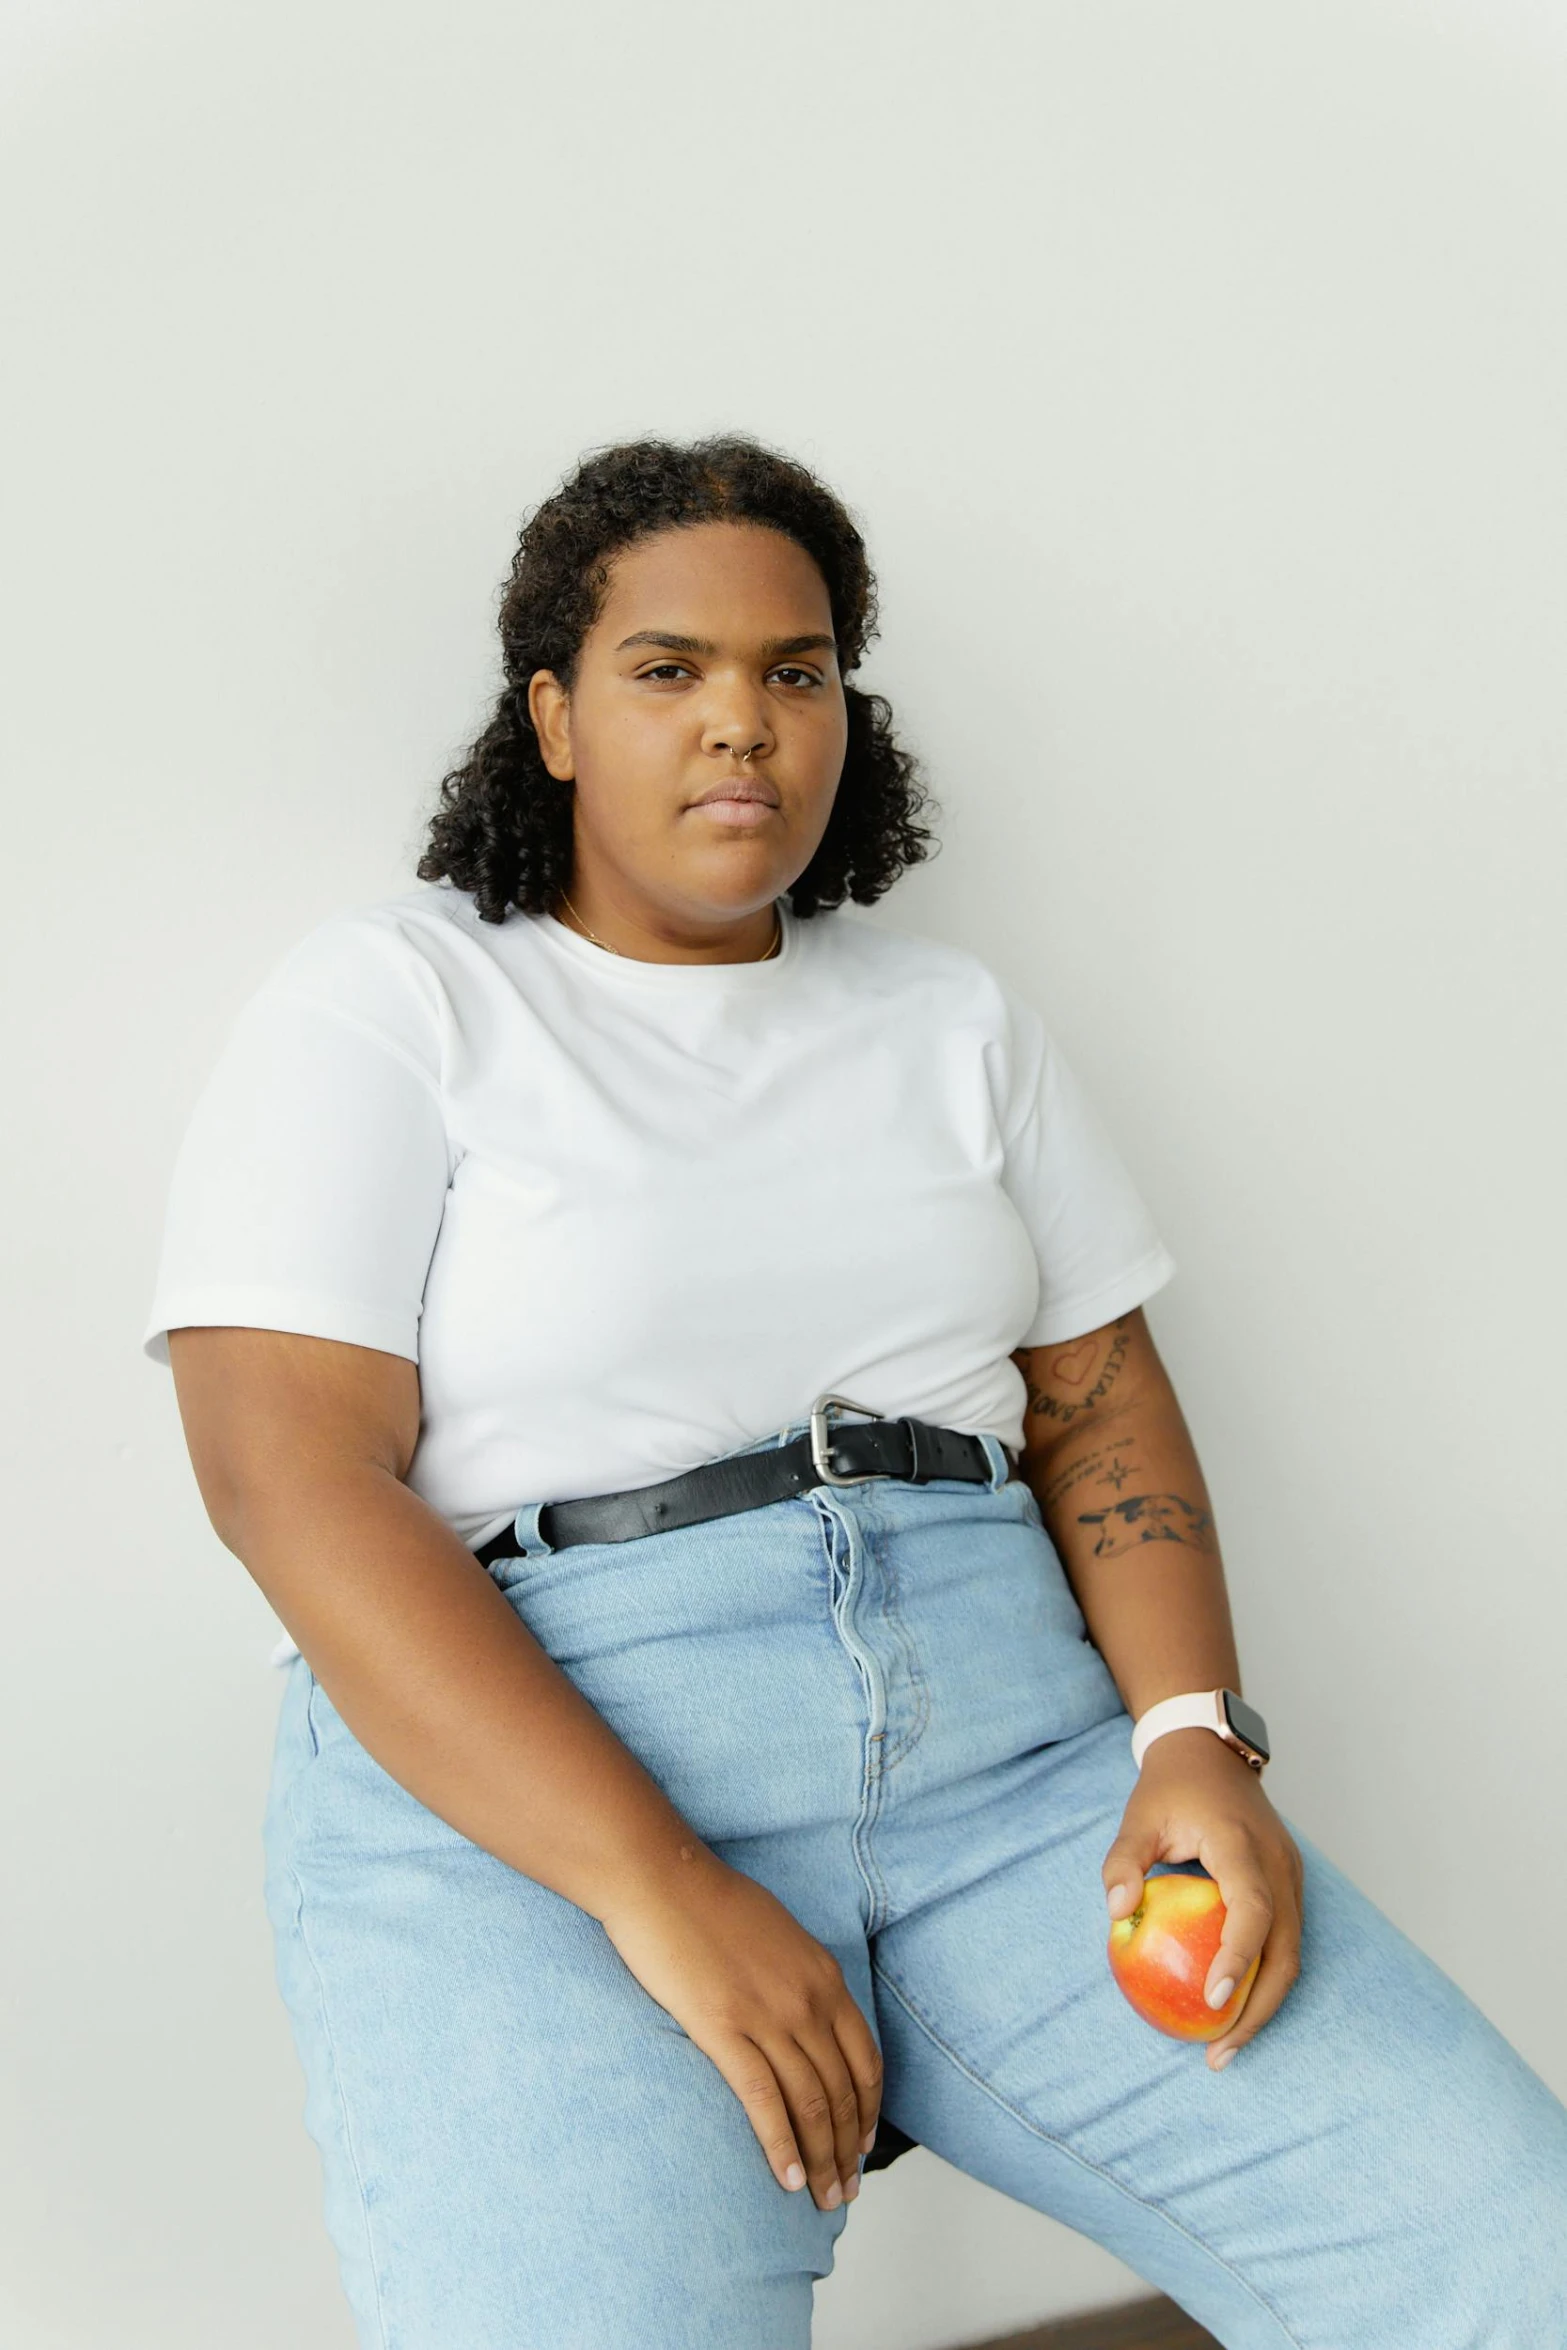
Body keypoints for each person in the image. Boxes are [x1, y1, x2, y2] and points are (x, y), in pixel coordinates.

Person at [143, 434, 1566, 2350]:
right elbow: (286, 1479)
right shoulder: (397, 998)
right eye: (670, 671)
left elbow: (1097, 1398)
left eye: (794, 672)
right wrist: (650, 1880)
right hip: (542, 1796)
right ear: (553, 714)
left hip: (1012, 1766)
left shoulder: (949, 1022)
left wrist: (1188, 1740)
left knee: (1502, 2260)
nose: (744, 723)